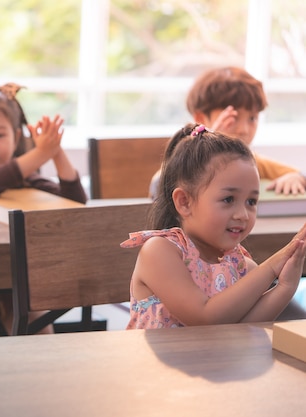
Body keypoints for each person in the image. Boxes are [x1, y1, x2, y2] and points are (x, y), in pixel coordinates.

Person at [123, 123, 306, 329]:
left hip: (216, 362)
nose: (242, 214)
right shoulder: (159, 251)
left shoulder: (242, 265)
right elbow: (205, 319)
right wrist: (272, 266)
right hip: (148, 363)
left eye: (251, 202)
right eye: (228, 199)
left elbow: (243, 328)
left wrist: (286, 286)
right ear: (184, 202)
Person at [0, 83, 87, 337]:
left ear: (16, 138)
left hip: (22, 286)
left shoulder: (28, 180)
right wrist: (40, 154)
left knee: (43, 344)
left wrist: (55, 151)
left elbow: (74, 201)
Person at [149, 66, 306, 200]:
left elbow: (299, 174)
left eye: (252, 118)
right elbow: (158, 187)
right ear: (200, 119)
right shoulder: (187, 159)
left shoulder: (252, 160)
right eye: (233, 118)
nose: (244, 129)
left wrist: (295, 177)